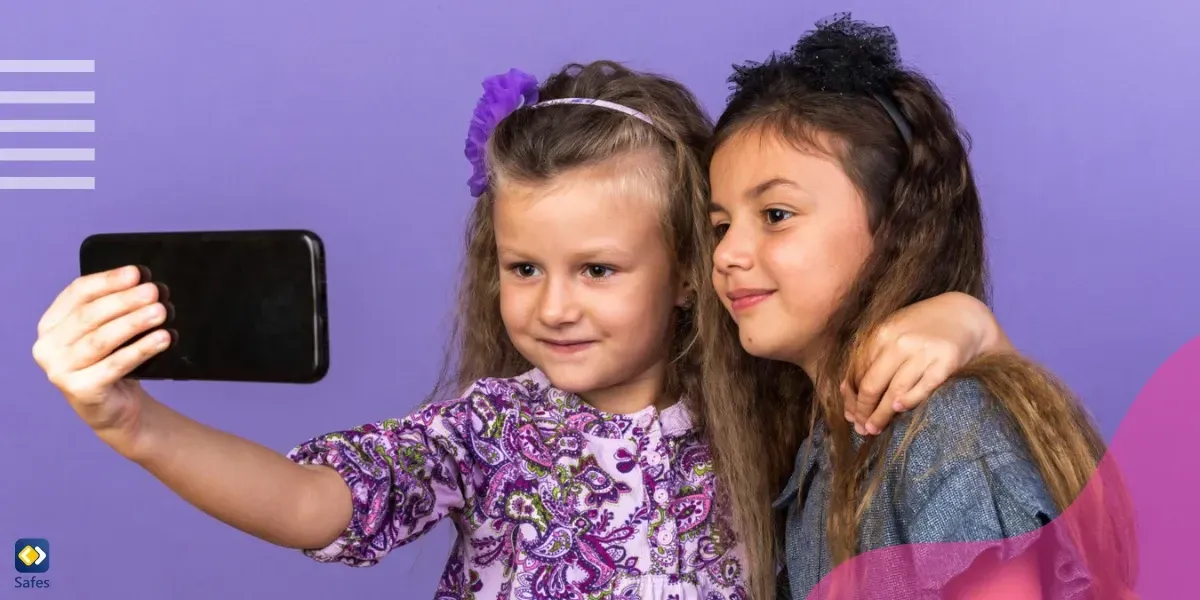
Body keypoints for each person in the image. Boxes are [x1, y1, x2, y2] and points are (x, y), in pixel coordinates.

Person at [32, 60, 1013, 600]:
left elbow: (963, 433)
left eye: (598, 270)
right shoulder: (490, 427)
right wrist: (133, 423)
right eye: (523, 269)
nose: (553, 306)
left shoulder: (774, 410)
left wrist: (966, 324)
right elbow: (310, 503)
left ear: (687, 270)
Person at [699, 15, 1137, 600]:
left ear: (895, 228)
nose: (727, 253)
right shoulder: (819, 453)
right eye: (720, 225)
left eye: (776, 215)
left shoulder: (944, 432)